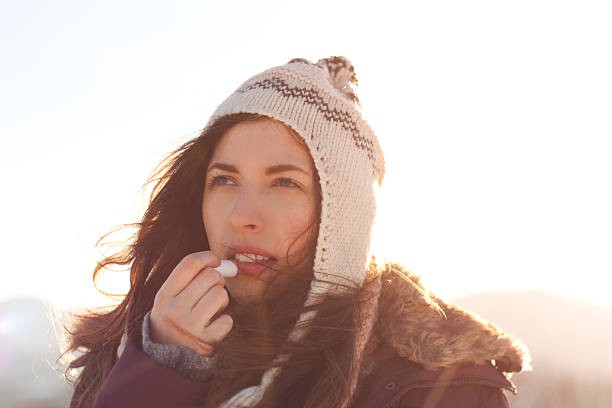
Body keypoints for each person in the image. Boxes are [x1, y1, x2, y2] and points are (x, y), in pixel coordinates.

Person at [65, 56, 530, 408]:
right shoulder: (128, 351)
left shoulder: (442, 389)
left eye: (285, 182)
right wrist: (163, 371)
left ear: (343, 216)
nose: (242, 216)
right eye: (224, 180)